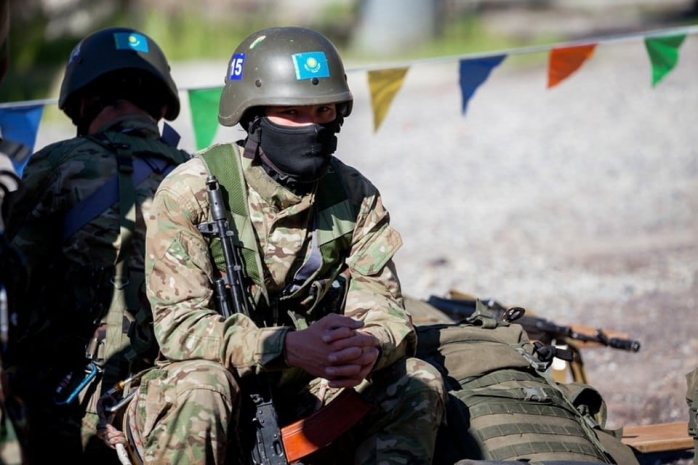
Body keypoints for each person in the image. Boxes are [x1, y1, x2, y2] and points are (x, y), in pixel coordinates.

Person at [119, 26, 447, 464]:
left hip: (303, 388)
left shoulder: (354, 194)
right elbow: (180, 329)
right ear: (253, 117)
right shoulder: (191, 192)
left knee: (416, 380)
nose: (311, 126)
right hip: (209, 388)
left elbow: (385, 308)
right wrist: (286, 346)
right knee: (202, 387)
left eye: (324, 110)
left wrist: (368, 346)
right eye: (291, 112)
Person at [4, 26, 190, 464]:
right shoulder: (195, 174)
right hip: (176, 399)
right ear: (163, 106)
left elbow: (11, 279)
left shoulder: (58, 164)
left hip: (66, 405)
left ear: (82, 101)